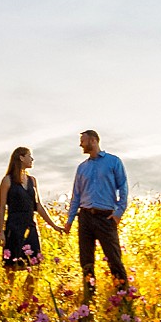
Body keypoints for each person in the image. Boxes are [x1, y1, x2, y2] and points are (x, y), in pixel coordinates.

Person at [63, 129, 129, 301]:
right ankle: (89, 299)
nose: (80, 144)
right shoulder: (82, 168)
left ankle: (123, 298)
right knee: (86, 261)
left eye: (83, 141)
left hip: (105, 217)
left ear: (93, 140)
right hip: (85, 217)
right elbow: (76, 195)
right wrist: (70, 220)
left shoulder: (113, 162)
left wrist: (118, 213)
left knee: (114, 259)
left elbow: (123, 187)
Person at [0, 147, 64, 303]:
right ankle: (8, 302)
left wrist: (54, 226)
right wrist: (1, 231)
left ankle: (24, 302)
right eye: (29, 156)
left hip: (31, 227)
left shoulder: (33, 181)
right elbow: (1, 207)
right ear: (21, 158)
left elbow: (38, 205)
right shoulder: (7, 181)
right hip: (14, 227)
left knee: (36, 266)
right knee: (10, 269)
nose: (32, 159)